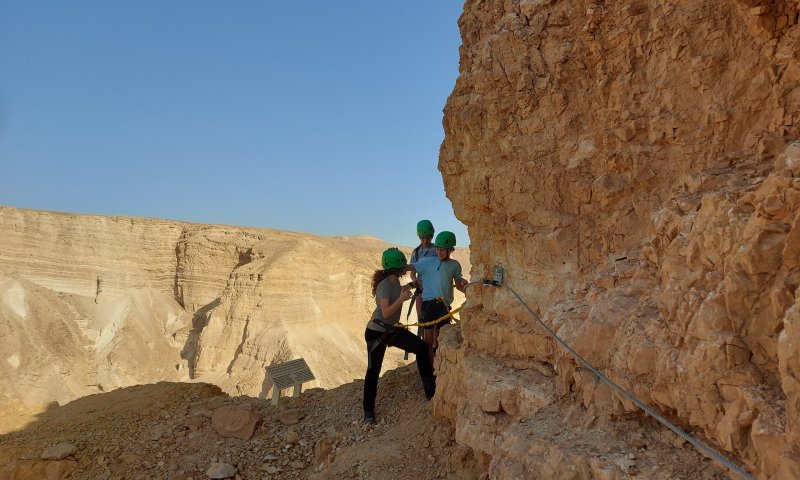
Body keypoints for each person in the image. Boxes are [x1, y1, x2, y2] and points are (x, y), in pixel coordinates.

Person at [362, 247, 436, 425]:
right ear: (396, 268)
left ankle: (429, 387)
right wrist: (402, 300)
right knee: (373, 371)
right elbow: (386, 312)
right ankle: (368, 411)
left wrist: (412, 285)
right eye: (403, 265)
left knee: (421, 347)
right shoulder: (385, 285)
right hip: (377, 332)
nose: (406, 267)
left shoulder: (393, 281)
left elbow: (398, 291)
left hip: (391, 330)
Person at [408, 231, 468, 368]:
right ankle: (429, 367)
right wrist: (395, 265)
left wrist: (468, 291)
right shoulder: (428, 262)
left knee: (441, 339)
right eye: (438, 249)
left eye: (443, 250)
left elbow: (458, 284)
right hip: (428, 305)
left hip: (443, 305)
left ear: (451, 250)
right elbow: (410, 267)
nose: (439, 252)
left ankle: (440, 367)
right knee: (428, 340)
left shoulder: (455, 265)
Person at [407, 220, 437, 351]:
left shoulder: (437, 249)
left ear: (432, 236)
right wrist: (416, 281)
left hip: (435, 289)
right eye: (423, 238)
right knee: (423, 321)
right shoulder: (416, 252)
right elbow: (412, 273)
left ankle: (436, 347)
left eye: (428, 237)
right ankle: (426, 349)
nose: (425, 240)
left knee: (437, 320)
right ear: (419, 237)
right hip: (421, 290)